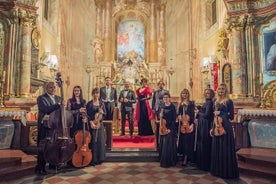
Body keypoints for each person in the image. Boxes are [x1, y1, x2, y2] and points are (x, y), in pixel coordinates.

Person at [210, 83, 239, 179]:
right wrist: (212, 127)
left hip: (225, 126)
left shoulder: (229, 101)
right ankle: (217, 170)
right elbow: (213, 115)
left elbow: (231, 116)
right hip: (216, 125)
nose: (221, 90)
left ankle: (226, 171)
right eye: (219, 89)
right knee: (217, 147)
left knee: (224, 147)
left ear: (226, 90)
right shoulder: (215, 101)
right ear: (217, 90)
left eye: (223, 89)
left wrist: (221, 113)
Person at [35, 82, 63, 175]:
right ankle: (40, 167)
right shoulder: (41, 98)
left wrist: (65, 106)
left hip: (55, 127)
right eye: (51, 87)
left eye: (54, 87)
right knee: (43, 147)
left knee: (54, 146)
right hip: (45, 126)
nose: (53, 89)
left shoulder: (59, 98)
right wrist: (58, 105)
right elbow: (45, 109)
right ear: (46, 88)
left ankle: (53, 163)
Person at [195, 88, 215, 171]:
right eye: (205, 93)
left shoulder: (210, 103)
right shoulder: (207, 102)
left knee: (205, 143)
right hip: (203, 124)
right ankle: (201, 163)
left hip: (206, 125)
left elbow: (207, 115)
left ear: (212, 94)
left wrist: (198, 112)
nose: (207, 94)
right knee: (202, 143)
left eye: (208, 93)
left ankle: (204, 165)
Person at [86, 87, 107, 166]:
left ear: (99, 94)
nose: (96, 95)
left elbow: (105, 114)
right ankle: (93, 159)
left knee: (99, 141)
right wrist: (91, 123)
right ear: (92, 94)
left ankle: (100, 159)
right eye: (94, 93)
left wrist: (102, 113)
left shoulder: (102, 104)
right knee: (93, 142)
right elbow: (87, 115)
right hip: (92, 124)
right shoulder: (89, 103)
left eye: (97, 93)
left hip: (99, 124)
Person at [177, 89, 195, 166]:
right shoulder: (180, 104)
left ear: (188, 95)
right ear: (181, 95)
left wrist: (193, 124)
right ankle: (184, 156)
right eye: (183, 93)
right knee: (184, 142)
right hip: (183, 126)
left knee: (189, 142)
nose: (185, 95)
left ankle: (189, 158)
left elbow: (194, 115)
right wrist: (179, 117)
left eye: (186, 93)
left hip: (189, 124)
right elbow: (178, 114)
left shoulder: (191, 103)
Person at [159, 92, 177, 168]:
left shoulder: (172, 106)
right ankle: (163, 160)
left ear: (169, 98)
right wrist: (160, 116)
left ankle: (170, 161)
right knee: (163, 144)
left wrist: (170, 129)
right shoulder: (162, 106)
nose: (165, 99)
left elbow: (174, 119)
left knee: (168, 144)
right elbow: (161, 118)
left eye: (166, 97)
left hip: (170, 127)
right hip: (163, 127)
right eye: (164, 98)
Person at [152, 80, 169, 148]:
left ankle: (163, 135)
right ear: (158, 85)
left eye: (162, 84)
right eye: (159, 84)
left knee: (163, 122)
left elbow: (168, 100)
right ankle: (158, 137)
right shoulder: (155, 92)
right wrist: (153, 108)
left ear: (163, 85)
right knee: (157, 123)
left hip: (164, 108)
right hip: (157, 109)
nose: (160, 85)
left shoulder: (166, 91)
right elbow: (154, 100)